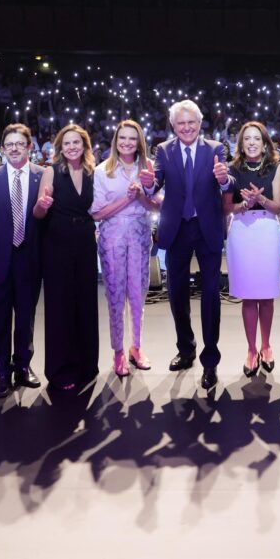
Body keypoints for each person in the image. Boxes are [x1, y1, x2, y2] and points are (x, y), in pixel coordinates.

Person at [138, 99, 234, 391]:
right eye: (181, 123)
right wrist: (148, 184)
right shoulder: (163, 150)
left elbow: (227, 180)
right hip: (176, 230)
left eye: (191, 122)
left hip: (207, 230)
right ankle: (186, 348)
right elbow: (155, 185)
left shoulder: (216, 148)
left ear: (200, 122)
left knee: (210, 297)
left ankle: (210, 361)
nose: (187, 127)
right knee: (176, 293)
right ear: (173, 126)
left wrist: (225, 180)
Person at [0, 124, 46, 396]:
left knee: (26, 318)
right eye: (9, 144)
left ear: (30, 147)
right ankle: (3, 371)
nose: (15, 148)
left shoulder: (44, 177)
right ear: (2, 149)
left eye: (20, 143)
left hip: (30, 262)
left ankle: (24, 366)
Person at [35, 124, 100, 392]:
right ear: (60, 148)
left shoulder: (92, 173)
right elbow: (39, 212)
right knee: (60, 306)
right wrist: (42, 205)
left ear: (85, 146)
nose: (72, 147)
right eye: (67, 143)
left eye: (77, 142)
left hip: (85, 242)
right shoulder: (51, 172)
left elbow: (97, 209)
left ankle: (87, 365)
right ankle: (60, 369)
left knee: (85, 303)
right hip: (57, 243)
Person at [92, 120, 159, 379]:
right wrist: (126, 199)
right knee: (116, 298)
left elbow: (158, 206)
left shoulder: (149, 167)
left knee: (138, 295)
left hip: (140, 236)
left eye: (132, 138)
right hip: (112, 239)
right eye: (123, 138)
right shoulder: (102, 171)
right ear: (115, 140)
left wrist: (141, 197)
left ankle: (136, 347)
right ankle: (118, 351)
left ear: (139, 141)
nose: (127, 143)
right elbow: (97, 213)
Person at [225, 121, 280, 378]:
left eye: (256, 139)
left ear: (264, 143)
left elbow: (278, 206)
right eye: (247, 139)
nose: (251, 143)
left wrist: (259, 199)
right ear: (241, 143)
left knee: (266, 295)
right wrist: (244, 204)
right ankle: (251, 350)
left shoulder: (276, 167)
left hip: (268, 231)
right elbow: (227, 208)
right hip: (242, 231)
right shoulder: (232, 169)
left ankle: (266, 345)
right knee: (249, 296)